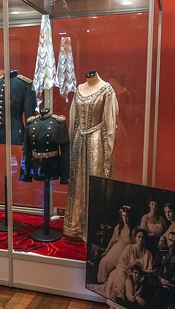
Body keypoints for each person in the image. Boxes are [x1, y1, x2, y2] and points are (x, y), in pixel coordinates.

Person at [63, 70, 119, 241]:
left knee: (95, 180)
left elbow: (111, 122)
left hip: (97, 143)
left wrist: (108, 151)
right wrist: (72, 146)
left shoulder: (106, 89)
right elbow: (73, 119)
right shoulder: (79, 90)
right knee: (78, 182)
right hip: (79, 142)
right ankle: (76, 225)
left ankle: (95, 228)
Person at [100, 228, 155, 301]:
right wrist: (129, 271)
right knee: (121, 272)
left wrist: (142, 272)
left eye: (143, 237)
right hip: (127, 272)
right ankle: (119, 297)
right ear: (135, 237)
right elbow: (121, 262)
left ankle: (132, 299)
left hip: (139, 276)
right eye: (139, 237)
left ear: (145, 240)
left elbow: (150, 269)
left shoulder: (148, 253)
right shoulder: (129, 248)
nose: (141, 239)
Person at [96, 206, 134, 283]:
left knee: (108, 264)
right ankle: (102, 282)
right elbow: (112, 241)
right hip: (116, 249)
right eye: (123, 216)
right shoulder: (118, 228)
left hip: (126, 251)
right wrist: (106, 252)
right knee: (103, 261)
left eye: (127, 216)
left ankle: (106, 282)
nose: (125, 218)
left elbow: (134, 244)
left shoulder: (133, 230)